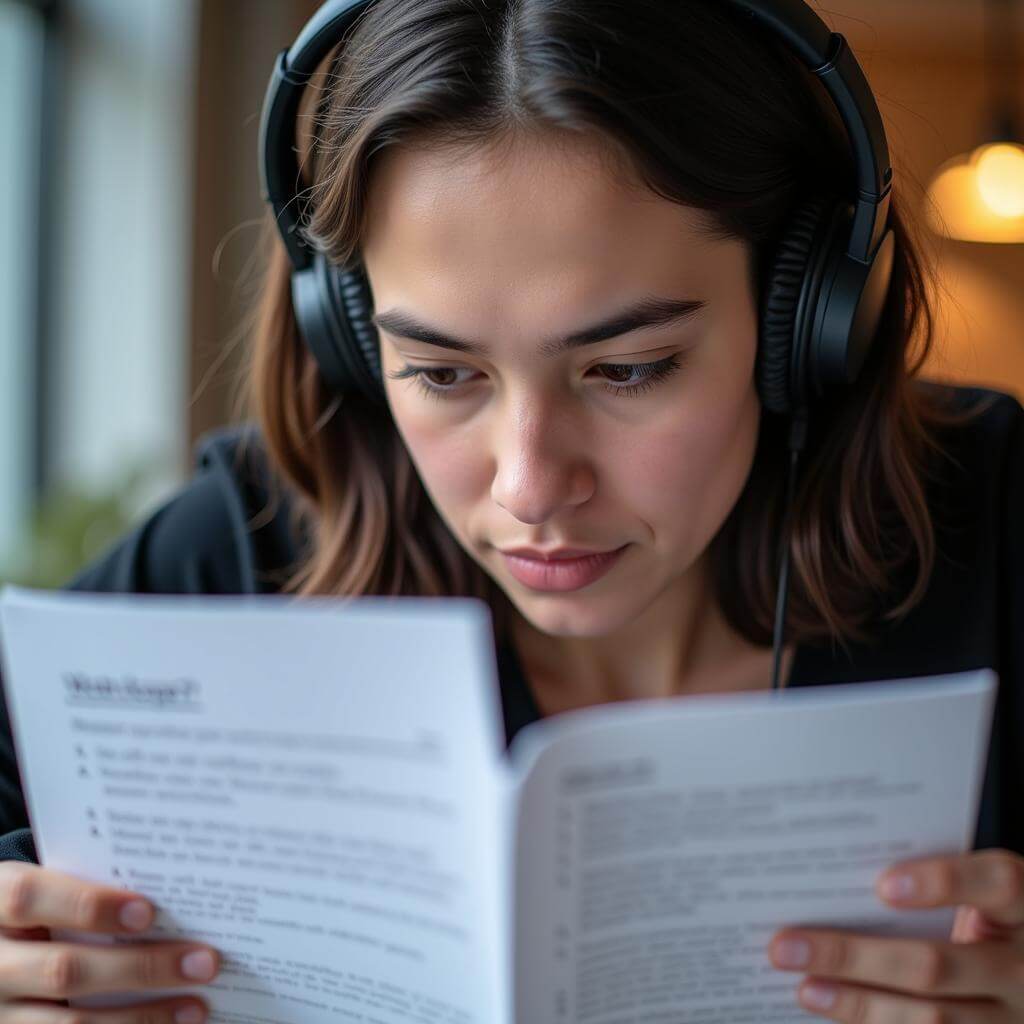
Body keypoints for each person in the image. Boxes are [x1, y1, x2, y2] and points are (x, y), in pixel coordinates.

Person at [2, 0, 1023, 1021]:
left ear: (803, 321)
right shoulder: (243, 552)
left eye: (627, 369)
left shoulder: (1001, 519)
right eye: (443, 374)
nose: (529, 486)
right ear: (354, 342)